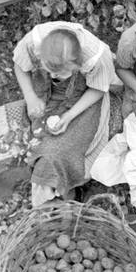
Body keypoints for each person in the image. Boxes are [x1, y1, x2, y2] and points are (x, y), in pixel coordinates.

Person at [13, 21, 118, 206]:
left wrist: (69, 117)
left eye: (62, 73)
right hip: (45, 92)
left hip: (84, 96)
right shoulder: (33, 43)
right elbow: (20, 66)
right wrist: (30, 97)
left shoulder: (96, 57)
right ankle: (52, 186)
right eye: (51, 70)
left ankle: (64, 186)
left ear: (78, 64)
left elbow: (98, 89)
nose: (55, 77)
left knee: (65, 148)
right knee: (39, 136)